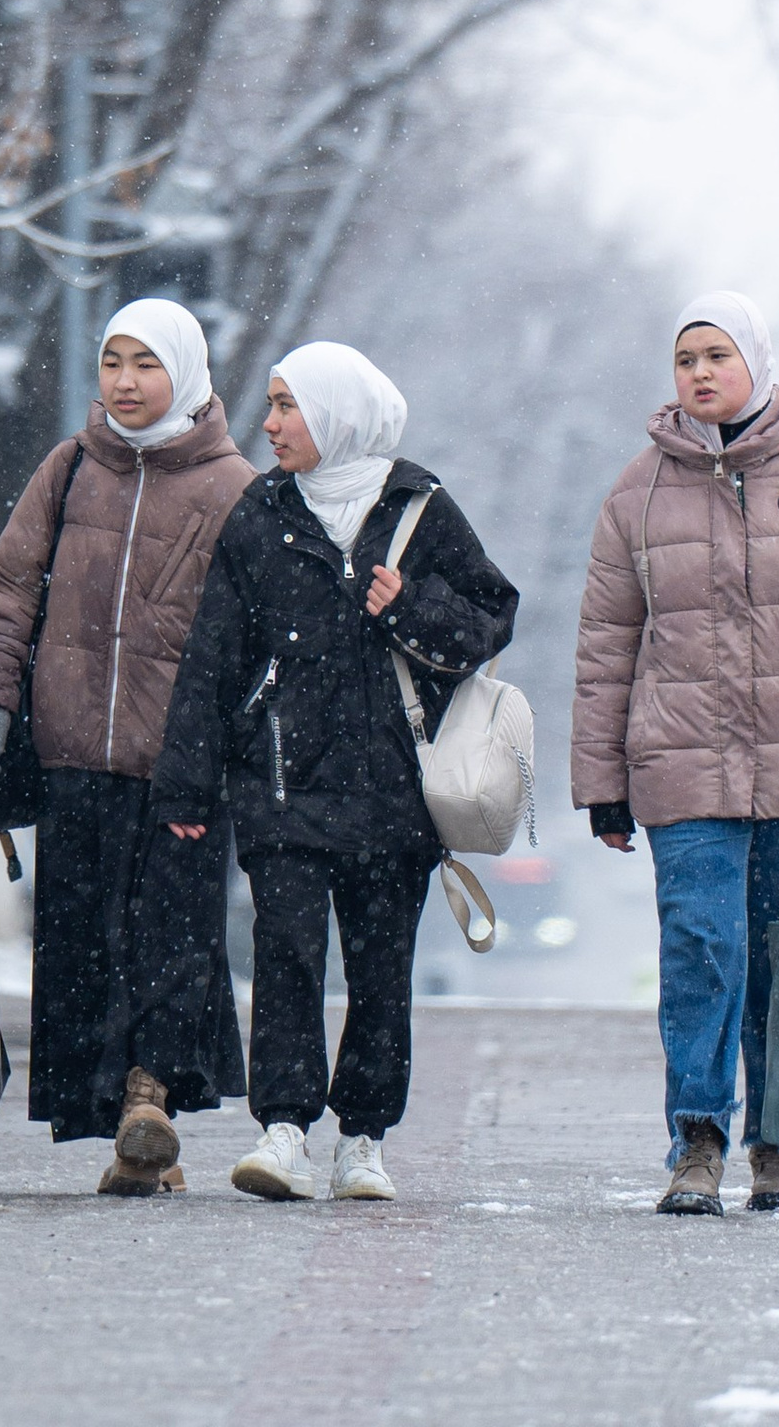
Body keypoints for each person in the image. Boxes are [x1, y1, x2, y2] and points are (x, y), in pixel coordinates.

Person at [153, 339, 518, 1206]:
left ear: (339, 415)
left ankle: (364, 1139)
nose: (271, 424)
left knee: (380, 966)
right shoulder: (260, 512)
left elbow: (491, 618)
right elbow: (213, 657)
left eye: (289, 407)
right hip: (281, 783)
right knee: (285, 953)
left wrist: (412, 606)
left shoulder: (420, 509)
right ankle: (283, 1132)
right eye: (272, 405)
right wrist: (187, 783)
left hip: (395, 792)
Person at [573, 289, 779, 1218]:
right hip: (682, 772)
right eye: (687, 360)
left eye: (718, 355)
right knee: (701, 952)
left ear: (756, 361)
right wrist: (602, 782)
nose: (702, 373)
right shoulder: (636, 493)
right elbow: (605, 646)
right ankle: (699, 1139)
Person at [0, 299, 253, 1193]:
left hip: (180, 767)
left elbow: (255, 636)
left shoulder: (233, 488)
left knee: (172, 938)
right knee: (87, 943)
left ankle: (151, 1094)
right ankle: (138, 1141)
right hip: (73, 758)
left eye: (146, 364)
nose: (125, 383)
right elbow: (10, 591)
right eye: (112, 362)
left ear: (188, 372)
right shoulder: (69, 471)